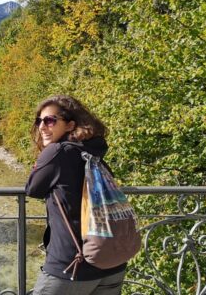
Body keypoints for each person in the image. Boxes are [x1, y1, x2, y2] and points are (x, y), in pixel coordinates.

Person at [26, 95, 126, 295]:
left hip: (71, 265)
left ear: (70, 125)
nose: (42, 127)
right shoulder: (93, 152)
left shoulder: (57, 151)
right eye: (39, 121)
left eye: (50, 120)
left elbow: (33, 188)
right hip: (112, 263)